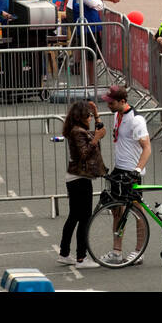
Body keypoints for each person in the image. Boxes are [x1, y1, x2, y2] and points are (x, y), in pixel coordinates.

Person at [99, 85, 151, 264]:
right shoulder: (117, 114)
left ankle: (139, 251)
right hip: (119, 169)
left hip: (131, 171)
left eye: (111, 102)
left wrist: (137, 170)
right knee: (117, 211)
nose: (108, 105)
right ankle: (117, 252)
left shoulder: (137, 121)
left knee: (137, 211)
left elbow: (147, 148)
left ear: (122, 101)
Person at [57, 100, 105, 269]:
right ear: (81, 116)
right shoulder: (77, 132)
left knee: (74, 217)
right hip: (79, 179)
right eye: (89, 116)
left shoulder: (78, 130)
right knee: (84, 218)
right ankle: (81, 257)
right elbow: (83, 154)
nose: (91, 118)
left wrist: (97, 113)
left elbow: (101, 131)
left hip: (76, 178)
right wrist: (95, 140)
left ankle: (64, 253)